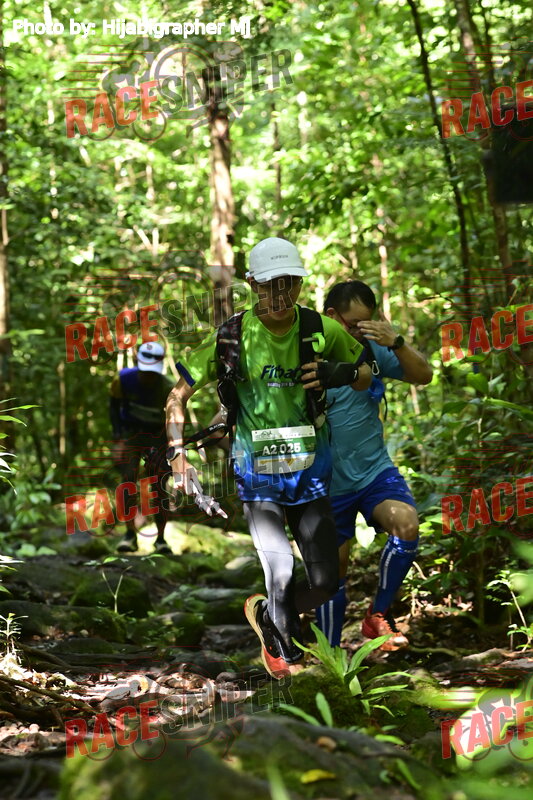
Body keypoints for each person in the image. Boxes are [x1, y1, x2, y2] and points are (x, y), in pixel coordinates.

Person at [165, 238, 372, 677]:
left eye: (289, 283)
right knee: (280, 571)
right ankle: (288, 666)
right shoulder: (230, 337)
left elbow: (365, 374)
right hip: (257, 475)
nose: (280, 294)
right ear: (252, 284)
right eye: (269, 284)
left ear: (300, 284)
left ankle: (266, 615)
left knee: (326, 582)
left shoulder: (320, 329)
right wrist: (178, 455)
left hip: (311, 474)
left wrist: (345, 373)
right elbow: (176, 397)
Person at [315, 281, 433, 650]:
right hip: (325, 481)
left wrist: (395, 342)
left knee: (407, 524)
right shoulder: (305, 351)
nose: (360, 331)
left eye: (367, 324)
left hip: (373, 472)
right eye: (354, 324)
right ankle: (331, 656)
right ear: (332, 316)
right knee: (333, 570)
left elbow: (424, 375)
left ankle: (377, 615)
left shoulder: (371, 348)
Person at [110, 341, 175, 554]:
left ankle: (161, 539)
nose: (148, 376)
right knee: (128, 480)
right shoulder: (122, 380)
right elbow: (114, 408)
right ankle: (130, 535)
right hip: (131, 434)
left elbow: (174, 420)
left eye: (152, 372)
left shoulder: (168, 387)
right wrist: (117, 439)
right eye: (145, 371)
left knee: (159, 484)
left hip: (157, 436)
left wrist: (173, 448)